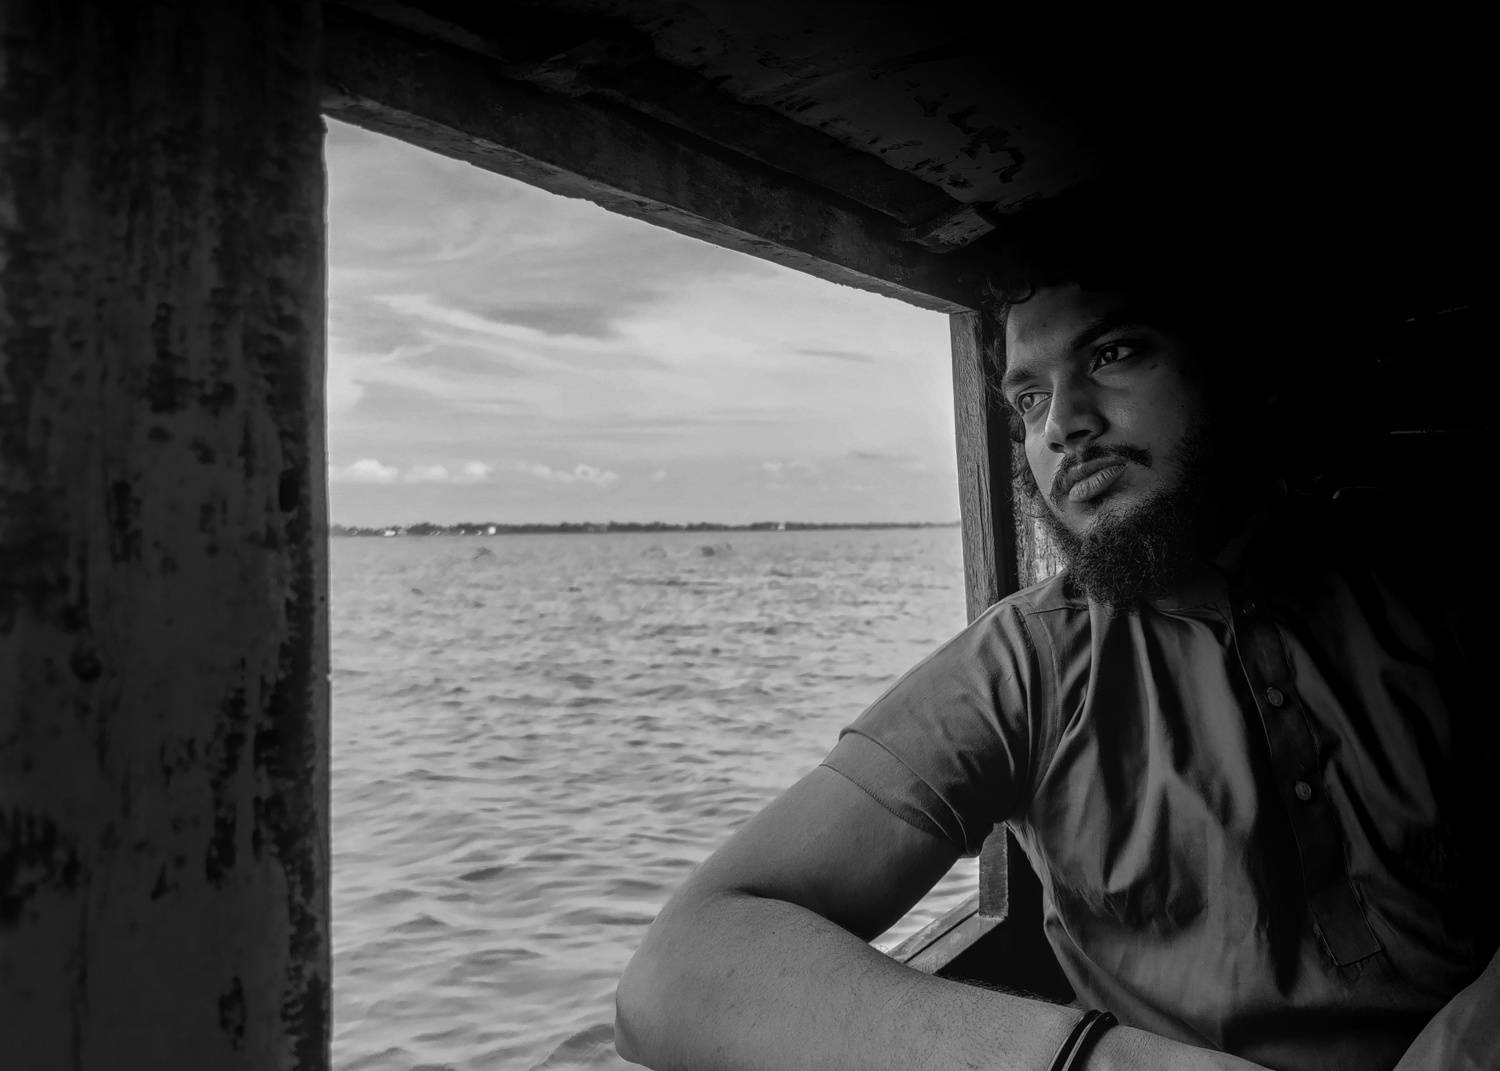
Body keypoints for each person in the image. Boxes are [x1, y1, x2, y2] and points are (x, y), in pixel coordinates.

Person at [612, 186, 1496, 1071]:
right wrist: (1097, 1062)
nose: (1065, 427)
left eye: (1112, 354)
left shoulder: (1428, 588)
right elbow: (675, 977)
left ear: (1221, 364)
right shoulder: (1025, 663)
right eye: (1029, 400)